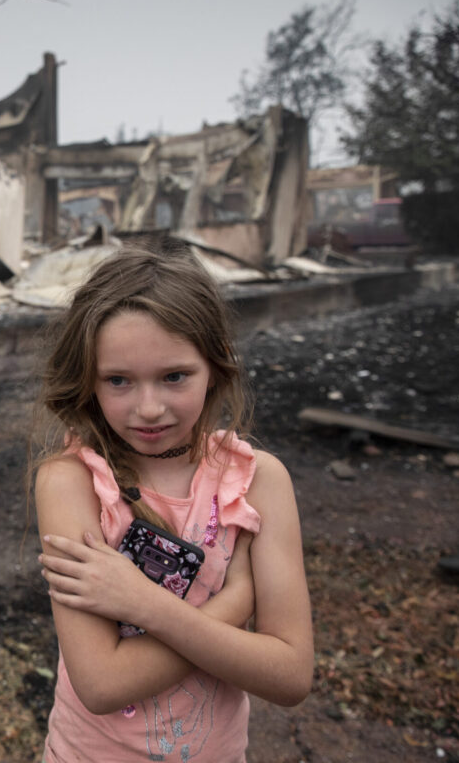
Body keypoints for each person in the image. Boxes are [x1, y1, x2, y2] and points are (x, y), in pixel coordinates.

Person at [32, 237, 313, 762]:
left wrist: (142, 604)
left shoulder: (258, 482)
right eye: (118, 380)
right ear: (88, 382)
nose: (149, 407)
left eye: (174, 376)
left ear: (216, 368)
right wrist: (235, 602)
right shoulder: (71, 483)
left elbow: (291, 675)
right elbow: (102, 684)